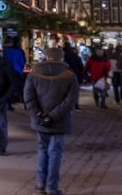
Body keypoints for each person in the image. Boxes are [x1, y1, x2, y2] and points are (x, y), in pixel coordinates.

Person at [24, 47, 79, 195]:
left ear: (46, 57)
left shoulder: (33, 74)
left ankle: (40, 185)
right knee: (55, 152)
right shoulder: (69, 76)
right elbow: (70, 101)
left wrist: (39, 115)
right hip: (59, 121)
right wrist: (52, 116)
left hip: (40, 122)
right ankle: (52, 187)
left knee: (42, 150)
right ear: (62, 58)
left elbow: (29, 98)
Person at [3, 37, 27, 108]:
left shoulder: (6, 51)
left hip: (8, 71)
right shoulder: (20, 51)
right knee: (21, 88)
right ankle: (25, 104)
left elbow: (4, 60)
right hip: (17, 71)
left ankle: (9, 104)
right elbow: (23, 62)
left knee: (10, 88)